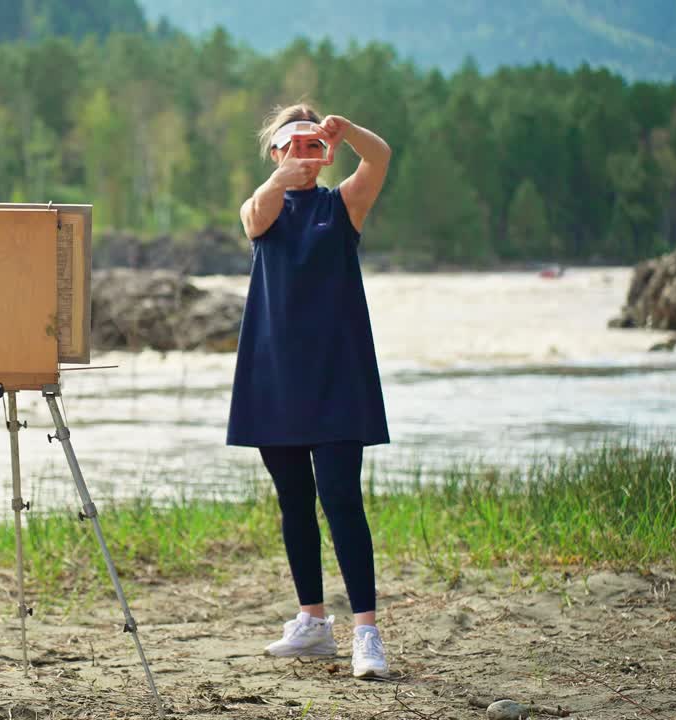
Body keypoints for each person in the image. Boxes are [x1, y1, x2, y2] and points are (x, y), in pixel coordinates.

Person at [227, 103, 393, 679]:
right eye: (291, 144)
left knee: (342, 499)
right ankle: (313, 622)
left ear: (325, 154)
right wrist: (279, 177)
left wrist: (348, 133)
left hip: (338, 373)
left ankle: (365, 633)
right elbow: (253, 218)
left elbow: (381, 157)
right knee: (293, 500)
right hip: (276, 373)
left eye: (313, 145)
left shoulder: (342, 204)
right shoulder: (264, 204)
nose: (303, 152)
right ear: (275, 152)